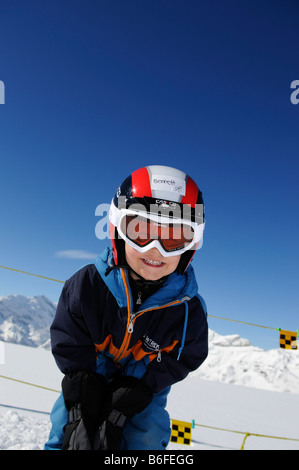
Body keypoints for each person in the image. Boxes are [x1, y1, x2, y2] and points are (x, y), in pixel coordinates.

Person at [45, 165, 208, 450]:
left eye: (174, 237)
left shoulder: (187, 310)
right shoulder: (89, 283)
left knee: (146, 432)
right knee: (67, 423)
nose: (155, 249)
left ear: (191, 245)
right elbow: (69, 334)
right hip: (90, 368)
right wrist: (85, 381)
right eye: (141, 231)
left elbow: (188, 354)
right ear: (118, 230)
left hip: (145, 381)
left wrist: (142, 382)